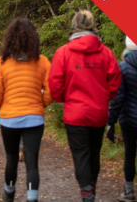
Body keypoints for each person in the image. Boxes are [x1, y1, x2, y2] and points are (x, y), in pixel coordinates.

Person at [49, 10, 121, 202]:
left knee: (81, 154)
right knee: (94, 152)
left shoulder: (63, 53)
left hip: (75, 114)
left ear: (74, 27)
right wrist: (104, 98)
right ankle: (92, 188)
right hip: (98, 112)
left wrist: (67, 99)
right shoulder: (106, 53)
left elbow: (55, 85)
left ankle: (86, 191)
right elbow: (115, 83)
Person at [0, 18, 53, 202]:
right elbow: (51, 90)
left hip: (9, 118)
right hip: (35, 118)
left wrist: (3, 107)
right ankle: (32, 198)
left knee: (11, 157)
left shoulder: (2, 63)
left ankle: (9, 192)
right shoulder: (42, 62)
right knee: (32, 160)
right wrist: (39, 104)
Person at [106, 36, 137, 202]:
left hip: (130, 121)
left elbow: (117, 99)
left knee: (130, 155)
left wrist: (111, 122)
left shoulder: (124, 68)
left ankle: (129, 191)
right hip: (128, 120)